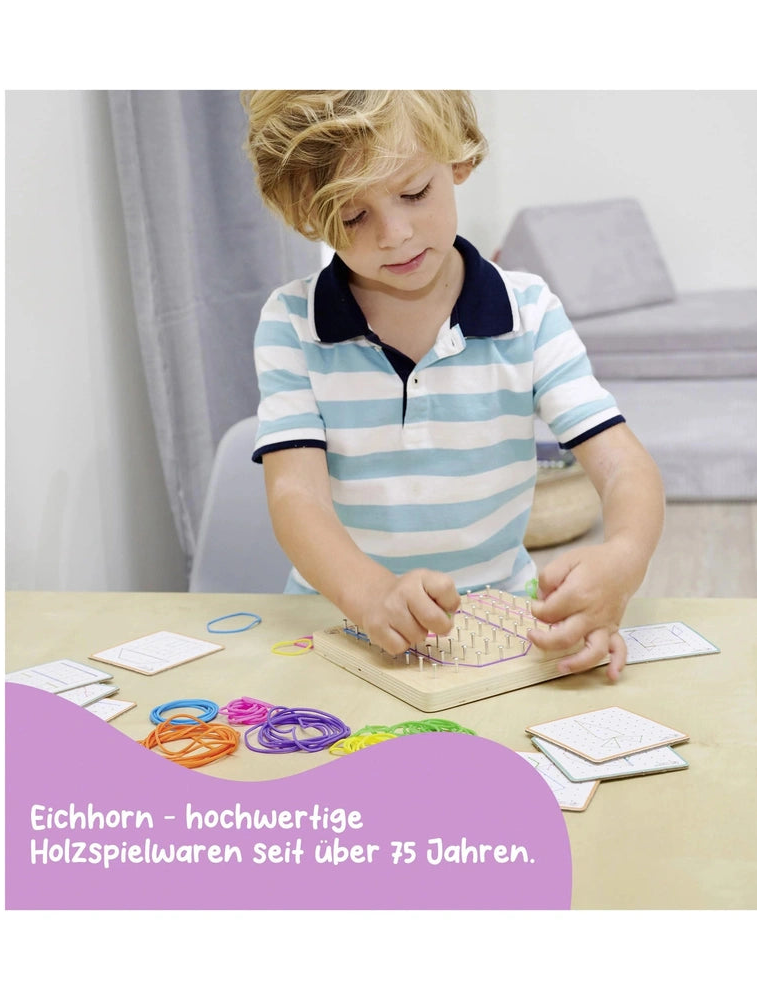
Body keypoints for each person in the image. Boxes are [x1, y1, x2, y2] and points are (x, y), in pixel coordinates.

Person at [242, 90, 664, 680]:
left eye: (414, 193)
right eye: (354, 215)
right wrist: (370, 595)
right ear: (308, 214)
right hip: (336, 622)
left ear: (458, 160)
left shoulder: (530, 312)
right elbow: (296, 498)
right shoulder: (290, 322)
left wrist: (622, 559)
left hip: (501, 624)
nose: (394, 234)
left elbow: (625, 467)